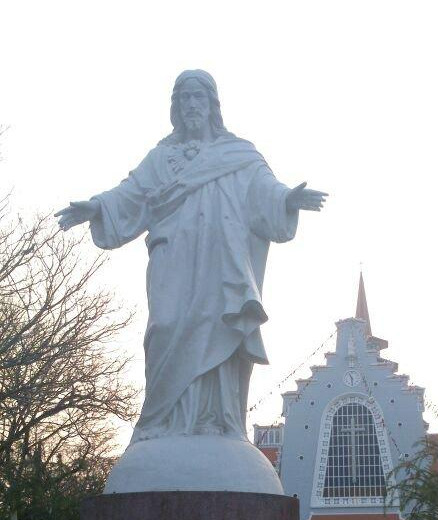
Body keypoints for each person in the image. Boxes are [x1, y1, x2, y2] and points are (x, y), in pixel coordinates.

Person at [56, 69, 327, 444]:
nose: (191, 105)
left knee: (218, 327)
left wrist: (286, 200)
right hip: (174, 261)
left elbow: (265, 189)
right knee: (165, 326)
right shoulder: (161, 157)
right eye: (184, 98)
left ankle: (216, 421)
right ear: (175, 106)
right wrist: (98, 207)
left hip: (221, 266)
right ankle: (162, 423)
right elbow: (131, 193)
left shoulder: (238, 154)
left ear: (213, 105)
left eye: (198, 97)